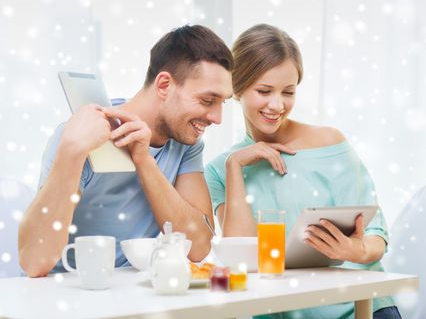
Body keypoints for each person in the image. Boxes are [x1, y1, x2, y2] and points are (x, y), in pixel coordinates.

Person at [205, 24, 401, 319]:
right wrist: (235, 166)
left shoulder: (330, 143)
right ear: (237, 86)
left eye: (288, 92)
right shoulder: (221, 169)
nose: (277, 105)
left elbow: (375, 235)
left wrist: (353, 250)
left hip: (362, 308)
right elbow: (243, 258)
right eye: (264, 91)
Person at [19, 25, 234, 277]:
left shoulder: (186, 143)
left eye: (222, 102)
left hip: (135, 298)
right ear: (164, 84)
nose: (217, 118)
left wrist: (143, 160)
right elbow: (34, 262)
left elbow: (197, 247)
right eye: (207, 101)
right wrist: (72, 151)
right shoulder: (82, 137)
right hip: (70, 294)